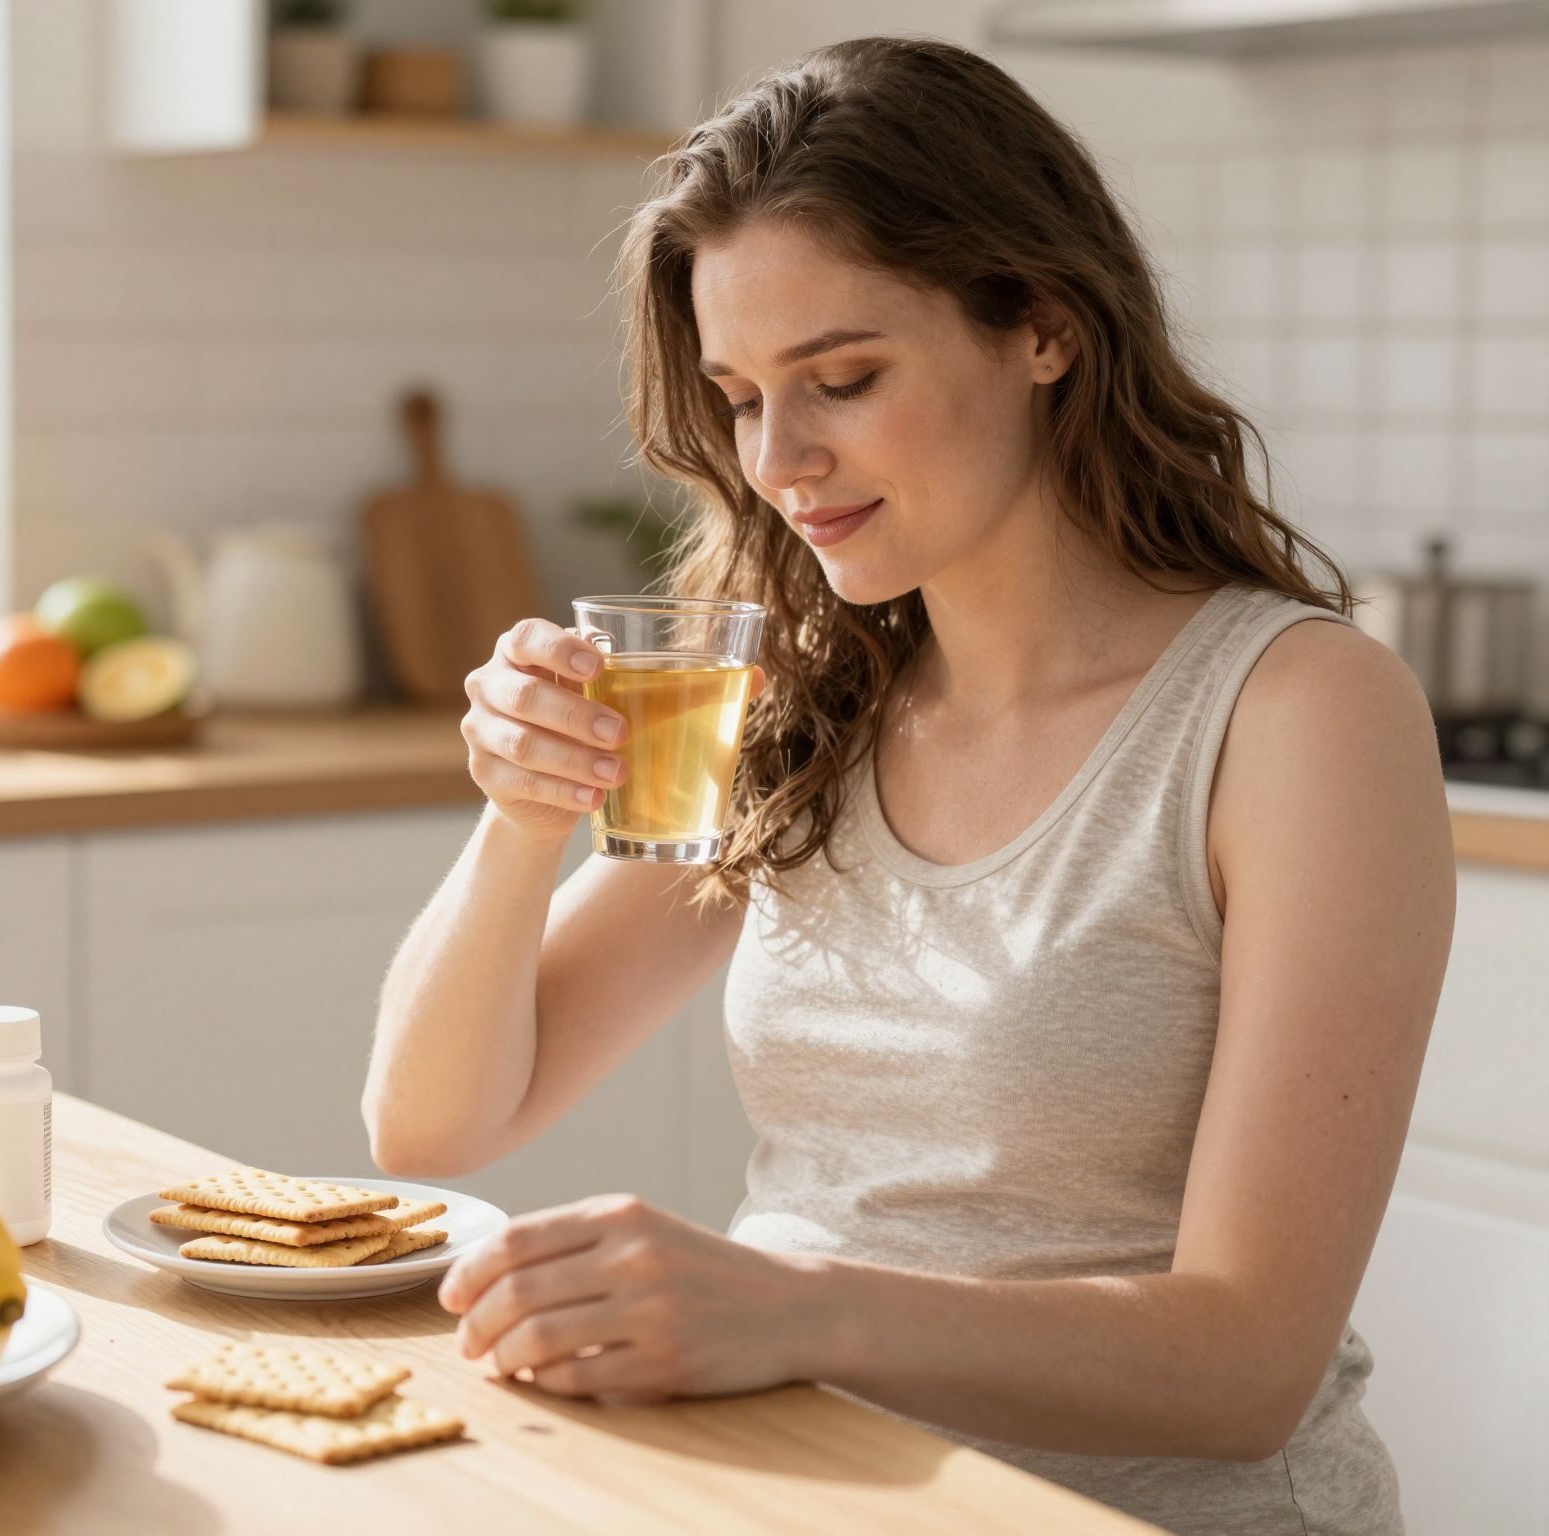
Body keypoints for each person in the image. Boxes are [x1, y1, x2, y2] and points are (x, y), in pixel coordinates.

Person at [361, 36, 1452, 1536]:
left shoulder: (1298, 714)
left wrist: (787, 1308)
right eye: (740, 396)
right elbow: (431, 1124)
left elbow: (1247, 1363)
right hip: (811, 1497)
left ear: (1044, 328)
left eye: (845, 379)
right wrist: (520, 815)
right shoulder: (807, 705)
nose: (780, 461)